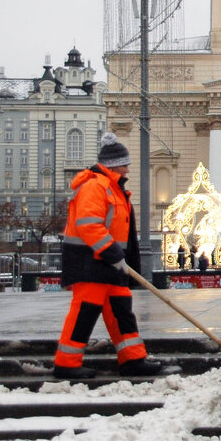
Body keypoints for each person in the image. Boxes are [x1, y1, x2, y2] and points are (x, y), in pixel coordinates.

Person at [52, 133, 178, 380]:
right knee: (85, 312)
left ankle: (132, 359)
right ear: (114, 165)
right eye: (125, 164)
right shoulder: (94, 186)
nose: (128, 168)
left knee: (121, 311)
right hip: (90, 262)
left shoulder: (113, 188)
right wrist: (112, 252)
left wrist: (120, 258)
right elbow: (89, 225)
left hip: (110, 264)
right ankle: (66, 363)